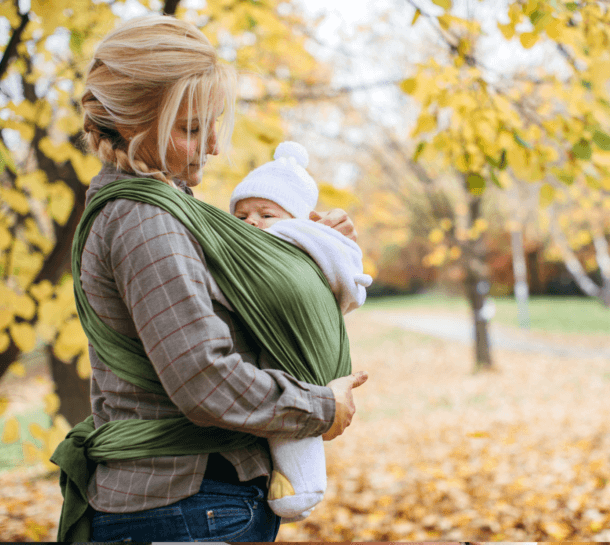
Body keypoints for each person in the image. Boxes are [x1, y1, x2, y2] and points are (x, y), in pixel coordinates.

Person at [50, 14, 367, 543]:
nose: (214, 146)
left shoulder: (161, 209)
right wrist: (319, 408)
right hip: (185, 507)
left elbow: (238, 303)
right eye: (191, 128)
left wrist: (311, 249)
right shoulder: (144, 218)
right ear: (131, 124)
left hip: (190, 509)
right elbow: (203, 377)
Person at [228, 140, 372, 521]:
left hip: (295, 348)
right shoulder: (247, 249)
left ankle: (302, 485)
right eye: (241, 216)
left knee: (291, 398)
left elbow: (339, 281)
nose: (252, 223)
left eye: (266, 214)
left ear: (296, 220)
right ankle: (295, 484)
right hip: (281, 347)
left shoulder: (296, 242)